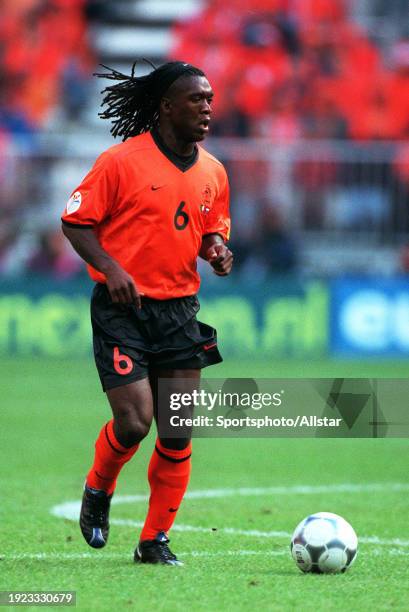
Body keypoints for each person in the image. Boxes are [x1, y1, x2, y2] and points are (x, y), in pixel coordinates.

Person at [61, 61, 233, 566]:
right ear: (165, 106)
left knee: (177, 429)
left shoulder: (214, 172)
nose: (207, 108)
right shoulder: (120, 162)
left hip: (179, 310)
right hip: (124, 309)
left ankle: (154, 540)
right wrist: (111, 269)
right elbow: (75, 222)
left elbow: (209, 229)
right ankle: (99, 486)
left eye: (210, 99)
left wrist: (219, 250)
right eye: (196, 99)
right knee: (135, 422)